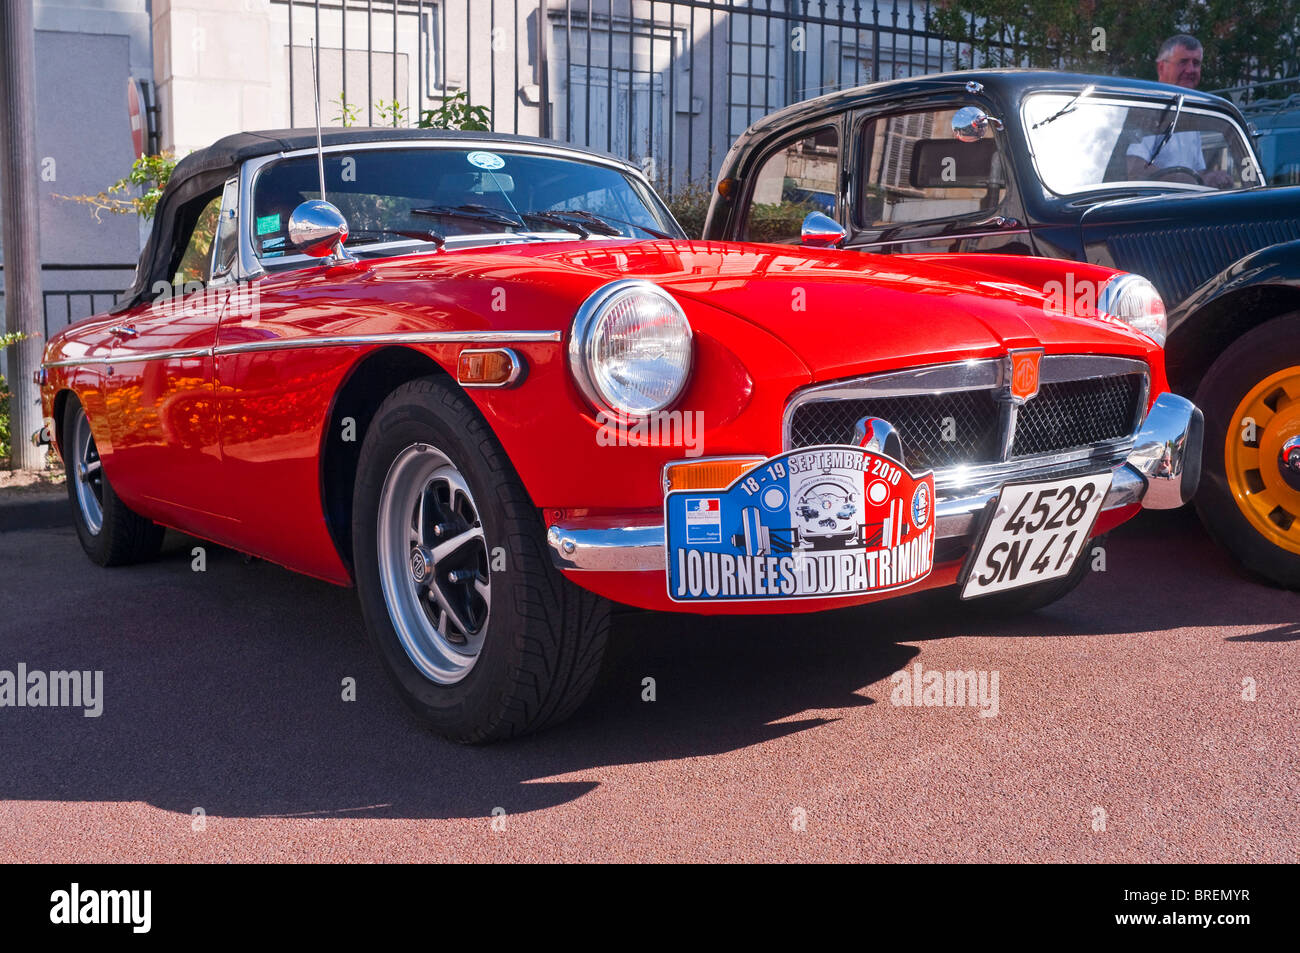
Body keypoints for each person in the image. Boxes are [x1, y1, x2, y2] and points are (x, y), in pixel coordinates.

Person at [1126, 35, 1234, 188]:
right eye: (1183, 62)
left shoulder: (1191, 114)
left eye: (1196, 63)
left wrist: (1214, 177)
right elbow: (1136, 170)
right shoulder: (1147, 110)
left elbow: (1196, 171)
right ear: (1161, 67)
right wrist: (1195, 181)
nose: (1190, 70)